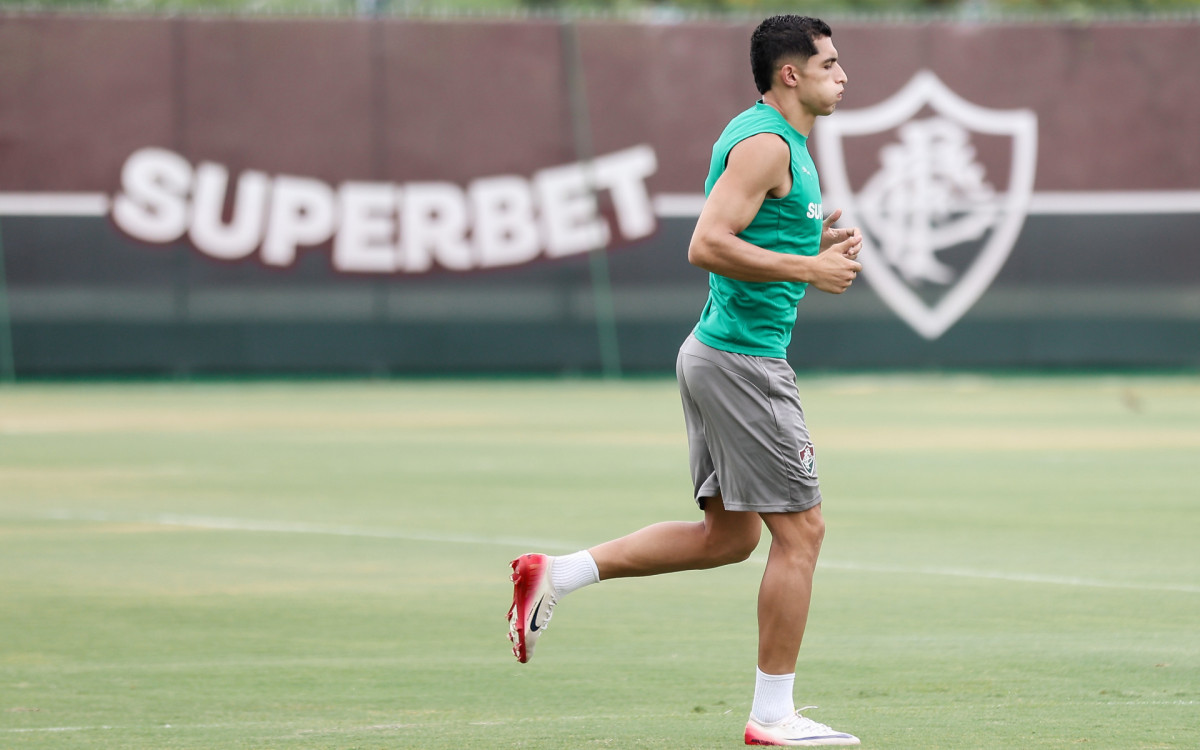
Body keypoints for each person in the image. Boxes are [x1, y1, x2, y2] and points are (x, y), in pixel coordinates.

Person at [507, 15, 864, 747]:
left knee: (728, 538)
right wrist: (809, 266)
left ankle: (557, 574)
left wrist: (811, 240)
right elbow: (706, 243)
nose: (842, 75)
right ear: (790, 74)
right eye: (829, 64)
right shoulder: (768, 144)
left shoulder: (778, 140)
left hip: (717, 354)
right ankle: (773, 717)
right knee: (802, 533)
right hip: (743, 363)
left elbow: (750, 232)